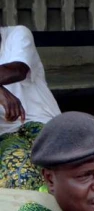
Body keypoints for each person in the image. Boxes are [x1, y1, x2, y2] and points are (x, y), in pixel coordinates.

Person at [0, 25, 60, 189]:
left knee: (65, 165)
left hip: (43, 123)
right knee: (22, 177)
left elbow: (17, 70)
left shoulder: (17, 34)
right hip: (6, 134)